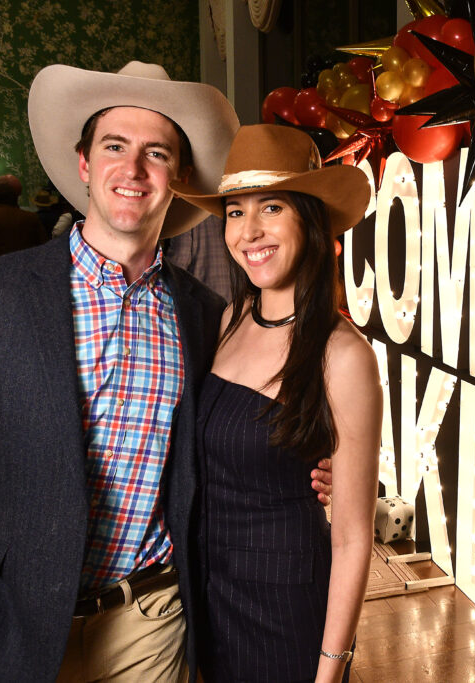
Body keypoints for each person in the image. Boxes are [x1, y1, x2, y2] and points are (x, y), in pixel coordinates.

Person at [0, 62, 336, 683]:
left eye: (156, 153)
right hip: (9, 621)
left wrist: (308, 465)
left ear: (181, 177)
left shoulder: (205, 314)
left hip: (152, 617)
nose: (133, 170)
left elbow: (229, 433)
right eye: (115, 146)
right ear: (84, 162)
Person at [171, 124, 381, 683]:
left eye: (271, 207)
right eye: (236, 212)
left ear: (308, 219)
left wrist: (330, 669)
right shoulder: (228, 319)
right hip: (208, 599)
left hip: (285, 612)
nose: (250, 231)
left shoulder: (343, 355)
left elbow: (355, 535)